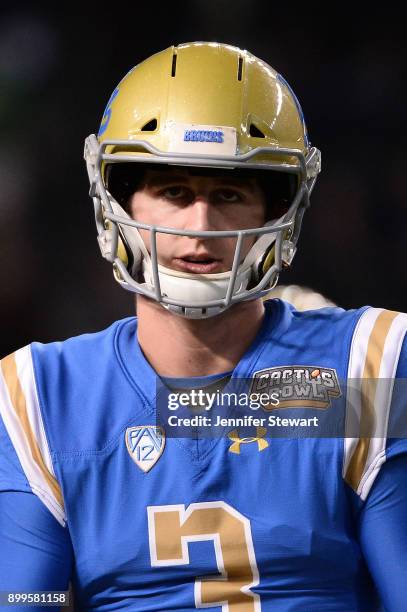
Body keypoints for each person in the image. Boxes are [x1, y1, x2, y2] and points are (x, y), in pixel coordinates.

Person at [0, 42, 406, 612]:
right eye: (174, 192)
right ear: (118, 204)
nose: (202, 225)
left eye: (229, 193)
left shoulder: (366, 365)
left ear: (279, 210)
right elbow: (24, 599)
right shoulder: (40, 396)